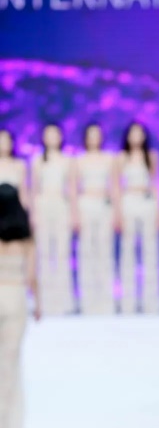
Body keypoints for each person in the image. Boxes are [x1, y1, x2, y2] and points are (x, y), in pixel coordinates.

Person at [0, 183, 40, 428]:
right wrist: (39, 304)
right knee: (10, 365)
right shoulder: (26, 239)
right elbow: (31, 277)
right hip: (15, 299)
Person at [116, 122, 159, 314]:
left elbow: (155, 184)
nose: (136, 136)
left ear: (144, 136)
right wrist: (117, 212)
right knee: (127, 250)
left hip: (147, 202)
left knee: (150, 250)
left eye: (139, 133)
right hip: (128, 201)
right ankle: (128, 303)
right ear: (127, 136)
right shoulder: (121, 157)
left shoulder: (151, 156)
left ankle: (151, 303)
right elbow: (117, 186)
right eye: (133, 133)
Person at [30, 123, 75, 315]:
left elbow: (72, 189)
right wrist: (32, 214)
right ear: (43, 138)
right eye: (48, 134)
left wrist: (74, 213)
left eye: (55, 134)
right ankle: (44, 302)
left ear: (61, 137)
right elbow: (33, 189)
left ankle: (63, 302)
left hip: (61, 205)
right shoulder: (37, 161)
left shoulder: (67, 160)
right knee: (44, 253)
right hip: (42, 206)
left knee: (62, 253)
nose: (52, 138)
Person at [73, 123, 116, 314]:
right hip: (85, 206)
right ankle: (88, 302)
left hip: (104, 207)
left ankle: (105, 302)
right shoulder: (78, 160)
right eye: (90, 135)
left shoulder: (109, 159)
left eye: (96, 134)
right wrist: (74, 214)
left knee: (105, 252)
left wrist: (116, 211)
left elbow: (115, 187)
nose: (93, 138)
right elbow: (73, 189)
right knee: (86, 252)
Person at [0, 128, 29, 208]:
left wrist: (26, 209)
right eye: (1, 141)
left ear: (12, 143)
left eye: (6, 140)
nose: (4, 144)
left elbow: (23, 191)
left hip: (15, 209)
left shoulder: (20, 164)